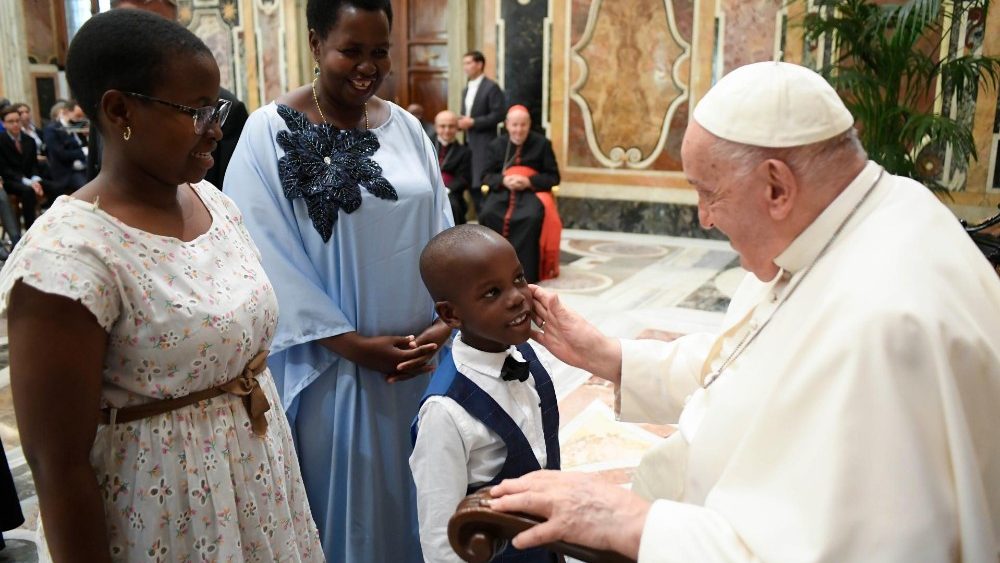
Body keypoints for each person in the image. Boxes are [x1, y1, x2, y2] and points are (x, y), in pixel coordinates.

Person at [487, 61, 1000, 561]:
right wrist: (610, 356)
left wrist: (628, 521)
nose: (704, 219)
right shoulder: (855, 217)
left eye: (708, 193)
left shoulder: (886, 325)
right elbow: (749, 367)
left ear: (776, 187)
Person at [0, 10, 323, 561]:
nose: (216, 128)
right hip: (166, 513)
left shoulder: (212, 202)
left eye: (217, 107)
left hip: (257, 489)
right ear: (119, 110)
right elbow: (59, 468)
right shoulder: (67, 259)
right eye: (196, 112)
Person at [223, 0, 454, 560]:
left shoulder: (408, 130)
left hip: (419, 363)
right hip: (329, 366)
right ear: (315, 43)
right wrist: (350, 345)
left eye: (380, 52)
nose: (368, 67)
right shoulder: (268, 132)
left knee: (421, 496)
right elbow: (260, 251)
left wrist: (446, 321)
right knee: (349, 512)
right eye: (351, 50)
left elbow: (444, 230)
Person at [410, 224, 560, 563]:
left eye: (518, 278)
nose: (517, 297)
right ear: (451, 314)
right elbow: (440, 537)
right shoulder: (444, 411)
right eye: (492, 292)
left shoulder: (529, 356)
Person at [85, 0, 250, 187]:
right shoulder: (106, 105)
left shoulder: (228, 110)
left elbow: (234, 191)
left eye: (164, 29)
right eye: (132, 28)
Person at [479, 105, 561, 283]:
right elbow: (485, 176)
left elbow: (554, 177)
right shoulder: (496, 145)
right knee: (488, 213)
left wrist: (529, 181)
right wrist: (503, 180)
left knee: (531, 217)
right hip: (502, 192)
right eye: (515, 125)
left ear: (529, 124)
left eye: (523, 125)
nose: (519, 130)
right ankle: (491, 268)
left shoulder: (542, 144)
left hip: (531, 194)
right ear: (507, 125)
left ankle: (526, 272)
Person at [459, 50, 506, 212]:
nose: (465, 67)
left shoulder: (491, 87)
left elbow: (499, 114)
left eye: (468, 63)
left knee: (481, 182)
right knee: (470, 181)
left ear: (479, 64)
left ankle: (487, 219)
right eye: (464, 63)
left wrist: (474, 122)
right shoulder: (466, 89)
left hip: (485, 143)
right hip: (468, 143)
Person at [0, 106, 58, 228]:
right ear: (4, 124)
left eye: (17, 120)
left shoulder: (29, 140)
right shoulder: (1, 141)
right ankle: (29, 228)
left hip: (31, 178)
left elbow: (34, 165)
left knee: (55, 188)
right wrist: (29, 182)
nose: (15, 124)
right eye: (11, 122)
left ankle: (54, 223)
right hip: (12, 181)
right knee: (28, 191)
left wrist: (35, 179)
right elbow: (5, 170)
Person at [433, 110, 473, 225]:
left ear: (457, 128)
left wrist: (446, 189)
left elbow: (464, 178)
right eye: (442, 126)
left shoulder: (464, 151)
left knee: (452, 207)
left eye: (451, 126)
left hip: (451, 193)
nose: (447, 130)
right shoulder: (426, 146)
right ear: (436, 127)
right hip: (428, 189)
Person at [42, 101, 88, 194]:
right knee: (87, 189)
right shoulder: (52, 129)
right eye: (78, 116)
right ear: (66, 112)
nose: (80, 119)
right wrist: (81, 152)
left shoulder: (76, 127)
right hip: (67, 172)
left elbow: (85, 145)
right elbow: (60, 154)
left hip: (84, 166)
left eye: (82, 116)